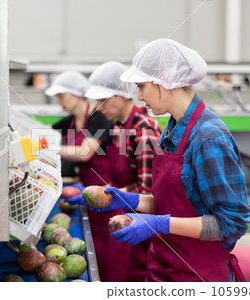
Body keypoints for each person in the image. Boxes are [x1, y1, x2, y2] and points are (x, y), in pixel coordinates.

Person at [96, 39, 250, 282]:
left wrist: (159, 225)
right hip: (163, 268)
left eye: (142, 86)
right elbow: (173, 204)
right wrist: (132, 199)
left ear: (164, 80)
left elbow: (230, 223)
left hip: (197, 275)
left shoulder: (208, 137)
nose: (138, 97)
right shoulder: (172, 130)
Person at [46, 71, 128, 282]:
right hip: (87, 195)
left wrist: (47, 148)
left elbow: (85, 152)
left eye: (62, 96)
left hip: (108, 193)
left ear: (76, 95)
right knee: (96, 249)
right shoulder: (72, 120)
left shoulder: (99, 118)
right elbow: (46, 131)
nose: (60, 101)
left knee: (112, 253)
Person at [83, 61, 161, 281]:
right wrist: (105, 190)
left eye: (102, 99)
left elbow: (147, 190)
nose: (98, 106)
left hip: (142, 223)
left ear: (121, 95)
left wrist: (109, 195)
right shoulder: (119, 125)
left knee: (133, 276)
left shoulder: (143, 129)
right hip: (124, 215)